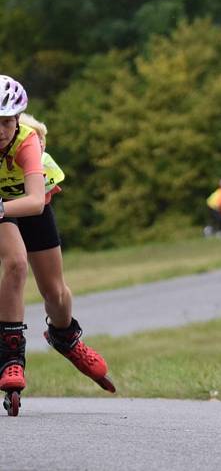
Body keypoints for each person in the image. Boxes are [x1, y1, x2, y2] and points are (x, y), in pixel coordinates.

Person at [0, 77, 114, 416]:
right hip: (3, 208)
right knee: (16, 264)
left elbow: (35, 201)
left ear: (17, 119)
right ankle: (10, 358)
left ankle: (64, 335)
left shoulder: (26, 141)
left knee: (56, 294)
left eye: (6, 122)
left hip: (28, 204)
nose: (0, 130)